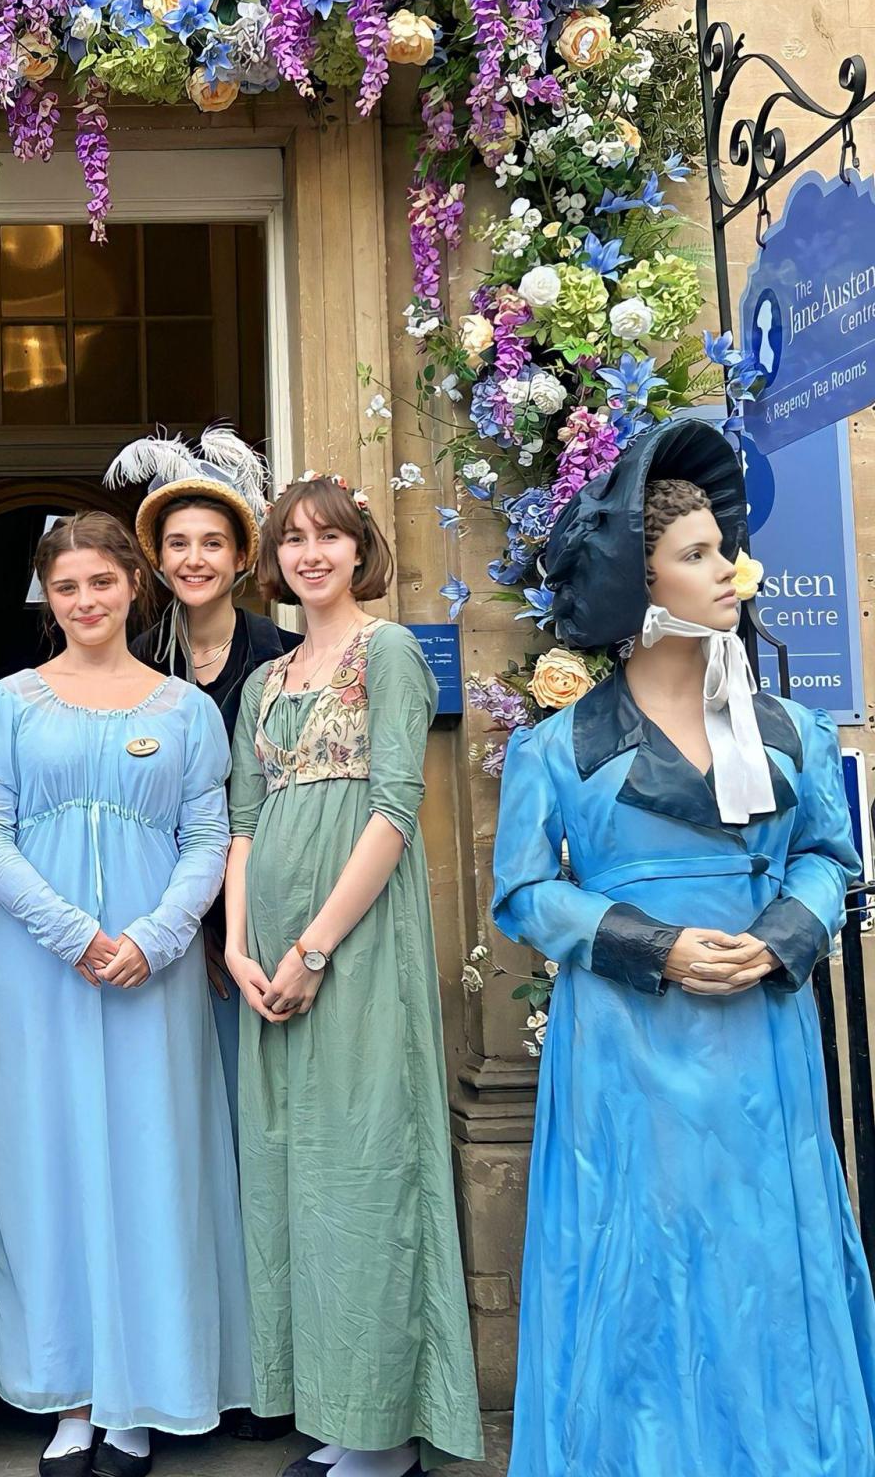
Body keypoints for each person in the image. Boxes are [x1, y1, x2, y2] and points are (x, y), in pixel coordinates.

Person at [491, 417, 875, 1476]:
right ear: (637, 582)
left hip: (760, 1035)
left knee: (765, 1252)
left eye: (724, 547)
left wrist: (779, 935)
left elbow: (829, 861)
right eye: (696, 554)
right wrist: (647, 944)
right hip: (627, 1040)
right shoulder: (556, 744)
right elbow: (523, 892)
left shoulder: (790, 727)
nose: (730, 570)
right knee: (638, 1256)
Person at [0, 512, 251, 1477]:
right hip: (37, 967)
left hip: (153, 972)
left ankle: (144, 1396)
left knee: (149, 1161)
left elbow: (207, 839)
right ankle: (73, 1398)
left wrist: (157, 938)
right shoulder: (4, 702)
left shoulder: (185, 710)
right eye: (68, 586)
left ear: (137, 586)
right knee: (44, 1167)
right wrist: (75, 934)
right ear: (47, 596)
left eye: (103, 582)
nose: (86, 601)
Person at [224, 474, 484, 1477]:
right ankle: (336, 1411)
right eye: (291, 539)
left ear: (359, 547)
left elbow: (392, 808)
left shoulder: (389, 653)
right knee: (300, 1175)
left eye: (328, 536)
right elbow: (242, 825)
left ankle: (385, 1434)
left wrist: (313, 948)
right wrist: (243, 947)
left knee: (368, 1166)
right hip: (270, 951)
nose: (309, 553)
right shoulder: (264, 680)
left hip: (355, 943)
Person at [106, 428, 298, 1444]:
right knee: (184, 1158)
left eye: (208, 543)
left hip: (262, 935)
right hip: (172, 944)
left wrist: (258, 932)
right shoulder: (134, 660)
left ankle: (268, 1374)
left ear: (240, 556)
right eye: (174, 543)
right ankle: (195, 1364)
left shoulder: (284, 655)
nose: (191, 559)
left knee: (261, 1159)